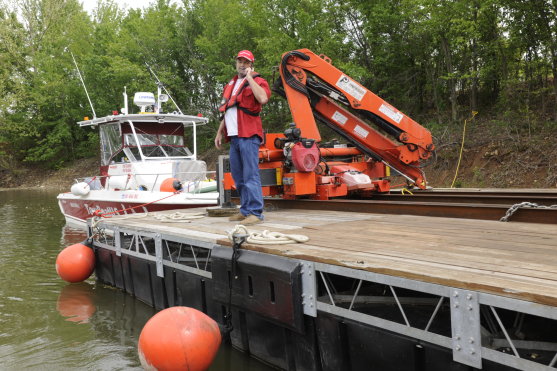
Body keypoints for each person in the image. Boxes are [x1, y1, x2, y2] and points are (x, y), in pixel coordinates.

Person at [215, 50, 271, 225]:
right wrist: (219, 132)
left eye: (246, 62)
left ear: (251, 64)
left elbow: (262, 98)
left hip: (248, 135)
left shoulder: (258, 81)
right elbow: (227, 110)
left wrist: (249, 78)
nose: (242, 64)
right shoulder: (230, 84)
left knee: (250, 175)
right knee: (238, 177)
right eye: (239, 61)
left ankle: (255, 212)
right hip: (234, 137)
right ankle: (245, 210)